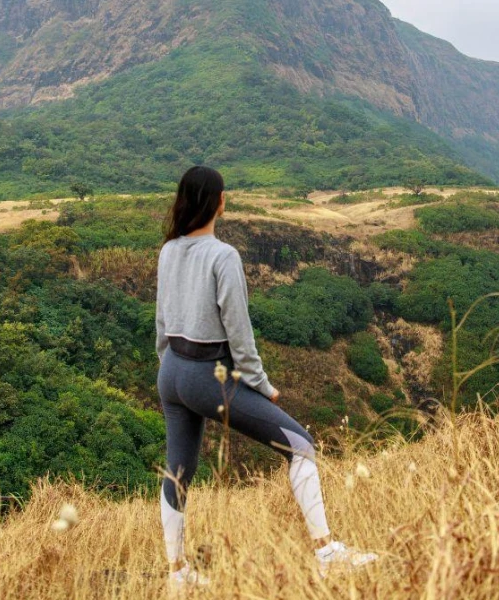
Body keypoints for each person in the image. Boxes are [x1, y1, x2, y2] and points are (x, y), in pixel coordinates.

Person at [155, 166, 378, 590]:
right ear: (220, 201)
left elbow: (162, 323)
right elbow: (239, 336)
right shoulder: (223, 256)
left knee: (177, 472)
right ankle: (327, 552)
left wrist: (168, 367)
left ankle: (177, 575)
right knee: (301, 446)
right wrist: (262, 385)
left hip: (172, 372)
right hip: (207, 375)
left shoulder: (169, 251)